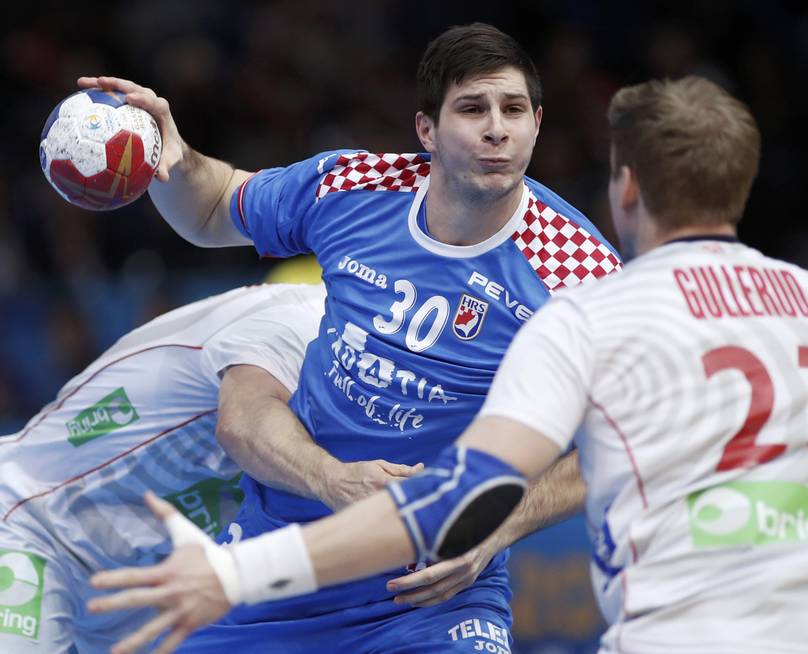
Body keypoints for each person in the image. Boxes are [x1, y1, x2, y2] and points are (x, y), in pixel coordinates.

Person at [92, 75, 808, 654]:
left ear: (627, 189)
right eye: (473, 110)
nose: (496, 130)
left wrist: (237, 575)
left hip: (679, 633)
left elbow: (450, 503)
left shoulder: (592, 311)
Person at [78, 22, 620, 653]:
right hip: (279, 563)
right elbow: (212, 207)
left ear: (536, 122)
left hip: (431, 592)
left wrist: (497, 528)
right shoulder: (353, 186)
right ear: (427, 131)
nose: (497, 127)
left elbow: (624, 434)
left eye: (514, 109)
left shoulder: (578, 270)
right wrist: (172, 158)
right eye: (472, 108)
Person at [0, 282, 338, 653]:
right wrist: (331, 479)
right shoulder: (304, 322)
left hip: (146, 585)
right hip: (29, 521)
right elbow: (240, 426)